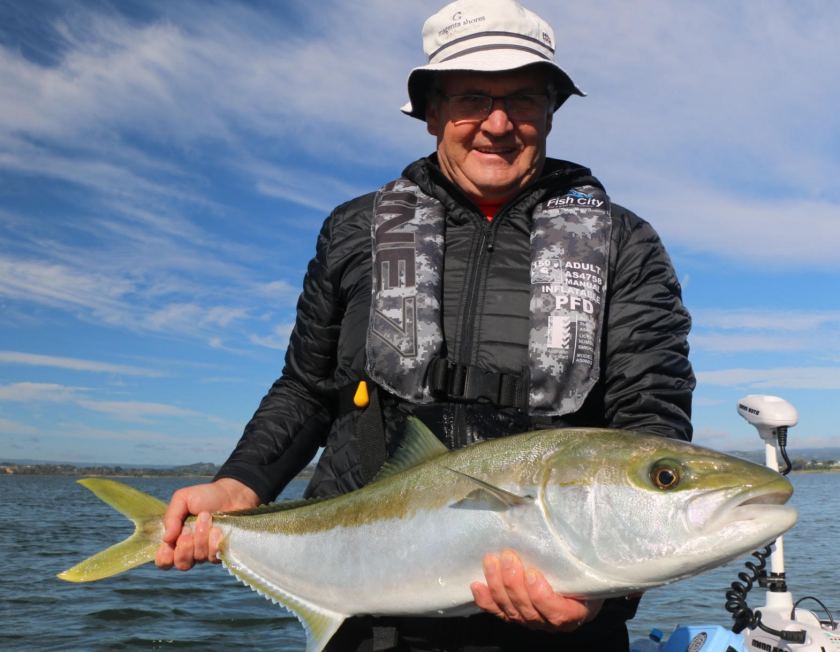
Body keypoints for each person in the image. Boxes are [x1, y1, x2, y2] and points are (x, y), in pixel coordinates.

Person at [155, 0, 695, 649]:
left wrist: (604, 588)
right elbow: (306, 386)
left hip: (555, 608)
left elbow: (651, 428)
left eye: (522, 98)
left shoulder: (621, 242)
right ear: (432, 109)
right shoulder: (356, 230)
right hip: (369, 612)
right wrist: (237, 483)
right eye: (472, 97)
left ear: (552, 109)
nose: (498, 124)